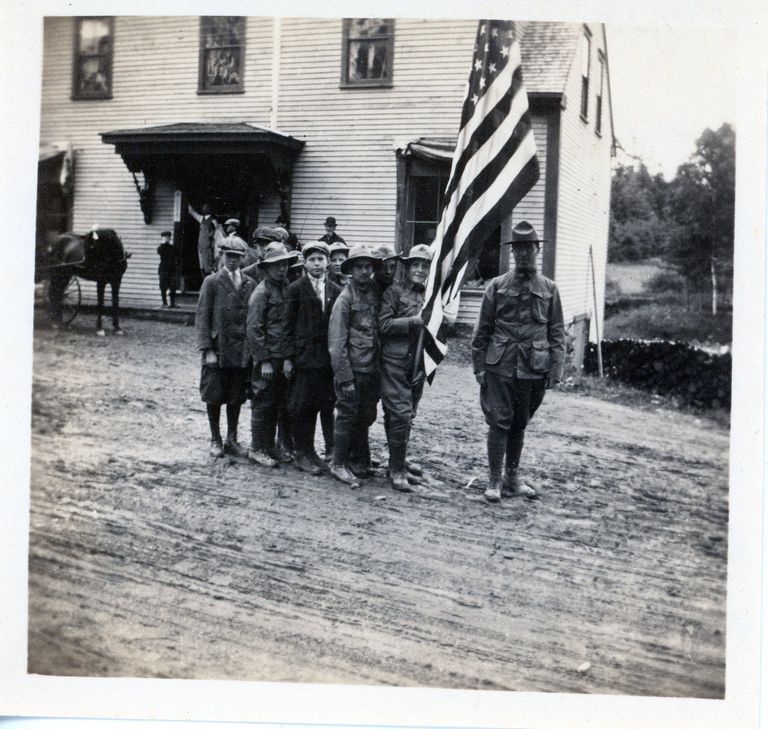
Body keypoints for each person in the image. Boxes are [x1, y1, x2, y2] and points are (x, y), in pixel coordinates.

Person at [471, 220, 565, 503]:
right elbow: (482, 330)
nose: (524, 254)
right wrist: (479, 367)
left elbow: (556, 331)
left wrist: (555, 369)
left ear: (537, 250)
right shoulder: (497, 286)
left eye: (529, 248)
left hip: (534, 367)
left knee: (519, 423)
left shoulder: (550, 289)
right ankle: (495, 481)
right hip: (500, 364)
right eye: (519, 249)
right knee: (499, 422)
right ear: (513, 253)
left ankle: (512, 477)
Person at [195, 237, 257, 458]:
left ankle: (232, 438)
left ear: (243, 258)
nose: (232, 261)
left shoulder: (250, 283)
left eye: (237, 257)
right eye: (228, 256)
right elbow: (202, 317)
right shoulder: (211, 282)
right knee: (214, 394)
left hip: (240, 351)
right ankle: (215, 438)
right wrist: (207, 349)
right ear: (221, 256)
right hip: (218, 349)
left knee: (235, 396)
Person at [378, 244, 433, 492]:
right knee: (399, 413)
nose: (420, 270)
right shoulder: (394, 292)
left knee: (406, 414)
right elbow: (384, 325)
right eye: (416, 265)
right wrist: (413, 321)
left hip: (418, 363)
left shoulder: (431, 295)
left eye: (425, 266)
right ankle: (396, 470)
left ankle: (396, 460)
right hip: (394, 362)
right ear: (408, 267)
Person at [284, 242, 342, 475]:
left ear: (327, 263)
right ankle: (302, 452)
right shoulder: (295, 289)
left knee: (323, 404)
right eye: (312, 259)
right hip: (303, 359)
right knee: (302, 407)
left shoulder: (336, 290)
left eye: (321, 259)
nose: (317, 263)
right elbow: (287, 326)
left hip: (326, 361)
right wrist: (288, 358)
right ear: (305, 263)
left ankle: (313, 453)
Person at [327, 246, 382, 487]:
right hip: (353, 370)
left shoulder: (373, 293)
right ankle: (338, 464)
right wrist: (345, 377)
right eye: (359, 267)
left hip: (372, 368)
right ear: (350, 271)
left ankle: (359, 458)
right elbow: (336, 343)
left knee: (366, 414)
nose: (364, 271)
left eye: (368, 267)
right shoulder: (345, 299)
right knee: (347, 414)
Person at [245, 241, 299, 467]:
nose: (281, 269)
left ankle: (271, 446)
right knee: (262, 402)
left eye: (284, 264)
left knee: (278, 402)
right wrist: (264, 361)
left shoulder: (285, 288)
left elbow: (287, 326)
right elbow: (254, 329)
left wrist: (287, 358)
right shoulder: (261, 293)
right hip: (267, 359)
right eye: (276, 265)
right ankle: (257, 448)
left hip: (282, 356)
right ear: (266, 268)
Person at [187, 202, 215, 276]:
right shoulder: (203, 219)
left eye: (206, 207)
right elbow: (194, 213)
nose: (204, 209)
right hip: (201, 247)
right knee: (202, 267)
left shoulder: (212, 221)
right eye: (204, 207)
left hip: (208, 247)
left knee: (208, 268)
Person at [156, 230, 178, 308]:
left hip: (172, 270)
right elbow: (159, 252)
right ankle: (164, 303)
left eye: (168, 237)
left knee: (173, 287)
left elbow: (176, 255)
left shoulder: (172, 247)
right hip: (163, 270)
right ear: (162, 238)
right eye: (165, 237)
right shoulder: (161, 247)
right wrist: (163, 243)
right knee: (163, 287)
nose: (167, 238)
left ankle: (172, 303)